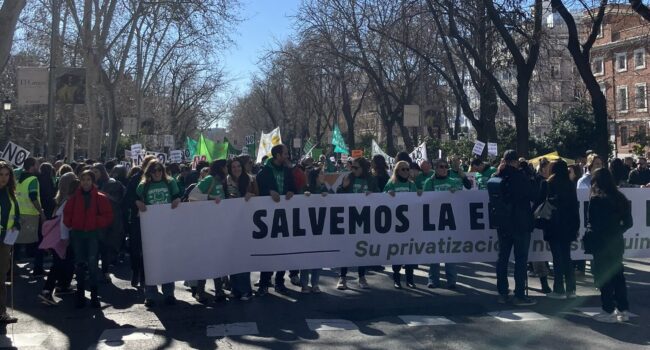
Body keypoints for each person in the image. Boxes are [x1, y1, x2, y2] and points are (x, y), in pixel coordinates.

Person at [63, 170, 114, 308]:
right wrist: (73, 222)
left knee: (92, 265)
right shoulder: (74, 198)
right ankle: (80, 295)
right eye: (83, 179)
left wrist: (95, 222)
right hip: (78, 235)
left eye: (88, 180)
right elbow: (66, 214)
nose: (86, 182)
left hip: (93, 235)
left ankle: (94, 296)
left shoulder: (100, 197)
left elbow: (108, 216)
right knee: (79, 265)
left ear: (92, 181)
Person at [493, 150, 537, 306]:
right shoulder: (520, 177)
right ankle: (519, 294)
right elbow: (533, 195)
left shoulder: (497, 177)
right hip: (521, 223)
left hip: (503, 224)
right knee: (520, 259)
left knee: (502, 259)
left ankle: (503, 293)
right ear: (515, 162)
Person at [588, 168, 632, 323]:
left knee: (603, 276)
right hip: (616, 241)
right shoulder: (620, 198)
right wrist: (617, 230)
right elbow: (629, 223)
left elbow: (592, 222)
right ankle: (623, 308)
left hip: (601, 242)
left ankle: (608, 309)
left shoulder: (596, 199)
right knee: (618, 276)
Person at [135, 160, 181, 307]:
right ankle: (150, 294)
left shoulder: (170, 183)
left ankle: (169, 293)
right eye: (154, 171)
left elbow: (179, 195)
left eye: (160, 170)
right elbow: (133, 197)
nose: (157, 173)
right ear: (149, 172)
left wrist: (177, 200)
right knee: (150, 261)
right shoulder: (144, 185)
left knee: (168, 259)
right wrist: (138, 203)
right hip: (150, 228)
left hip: (168, 227)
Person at [255, 144, 296, 296]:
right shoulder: (264, 172)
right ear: (278, 155)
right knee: (269, 251)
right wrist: (269, 192)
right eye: (285, 153)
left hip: (285, 217)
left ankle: (280, 282)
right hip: (267, 218)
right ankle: (264, 283)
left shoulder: (287, 170)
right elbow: (257, 189)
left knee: (283, 251)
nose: (287, 156)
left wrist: (292, 191)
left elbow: (293, 187)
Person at [337, 157, 378, 289]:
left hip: (365, 218)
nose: (352, 169)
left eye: (355, 167)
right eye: (352, 167)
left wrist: (373, 194)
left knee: (362, 248)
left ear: (363, 168)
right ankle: (342, 277)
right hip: (350, 218)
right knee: (346, 248)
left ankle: (361, 277)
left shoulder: (371, 180)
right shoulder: (349, 177)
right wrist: (343, 187)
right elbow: (338, 193)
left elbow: (379, 195)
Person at [38, 172, 79, 305]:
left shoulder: (60, 200)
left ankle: (61, 287)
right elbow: (64, 222)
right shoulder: (69, 200)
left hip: (56, 237)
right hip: (62, 237)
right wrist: (65, 238)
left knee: (60, 263)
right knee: (60, 264)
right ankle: (47, 291)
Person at [191, 159, 228, 303]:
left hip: (218, 226)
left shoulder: (220, 182)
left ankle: (219, 290)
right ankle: (200, 291)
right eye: (226, 167)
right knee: (205, 259)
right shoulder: (209, 179)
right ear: (221, 168)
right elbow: (192, 196)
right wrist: (210, 197)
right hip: (206, 226)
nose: (228, 169)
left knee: (217, 259)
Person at [541, 160, 579, 299]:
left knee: (557, 258)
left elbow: (541, 203)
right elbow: (575, 207)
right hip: (568, 225)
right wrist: (576, 226)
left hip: (553, 224)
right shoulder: (570, 184)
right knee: (567, 257)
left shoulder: (548, 184)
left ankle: (558, 289)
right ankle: (571, 289)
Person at [423, 159, 463, 289]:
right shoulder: (429, 182)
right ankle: (433, 280)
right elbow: (424, 200)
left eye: (446, 167)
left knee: (449, 252)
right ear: (436, 168)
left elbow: (461, 200)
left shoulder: (453, 182)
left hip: (449, 222)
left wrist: (456, 194)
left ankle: (452, 281)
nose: (444, 169)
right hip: (434, 222)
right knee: (434, 252)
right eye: (441, 166)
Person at [384, 161, 420, 289]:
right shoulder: (391, 183)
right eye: (403, 169)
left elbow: (417, 200)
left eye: (407, 169)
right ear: (397, 171)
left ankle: (410, 279)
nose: (406, 172)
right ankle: (397, 279)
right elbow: (381, 199)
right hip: (396, 224)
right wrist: (387, 195)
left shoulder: (411, 184)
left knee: (409, 253)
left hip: (409, 224)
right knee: (397, 252)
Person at [226, 157, 257, 300]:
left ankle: (246, 290)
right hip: (230, 223)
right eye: (233, 167)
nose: (236, 169)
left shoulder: (250, 180)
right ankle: (235, 288)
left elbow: (259, 197)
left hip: (247, 221)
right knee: (232, 257)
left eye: (238, 166)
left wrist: (252, 196)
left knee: (243, 257)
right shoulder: (226, 181)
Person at [123, 155, 155, 288]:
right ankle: (136, 271)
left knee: (149, 250)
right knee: (136, 249)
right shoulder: (136, 179)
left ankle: (145, 275)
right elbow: (127, 199)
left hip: (154, 220)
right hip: (137, 219)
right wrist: (136, 202)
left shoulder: (159, 180)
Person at [91, 163, 125, 283]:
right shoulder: (89, 184)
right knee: (94, 249)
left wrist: (102, 193)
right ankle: (93, 271)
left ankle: (105, 271)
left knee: (105, 248)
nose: (94, 174)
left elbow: (118, 200)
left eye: (96, 172)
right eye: (93, 172)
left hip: (108, 220)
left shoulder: (112, 183)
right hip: (94, 220)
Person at [14, 157, 46, 276]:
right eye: (37, 164)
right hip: (31, 215)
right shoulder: (33, 179)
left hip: (18, 213)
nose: (38, 167)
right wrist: (41, 212)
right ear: (32, 166)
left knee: (16, 241)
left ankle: (10, 268)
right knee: (38, 242)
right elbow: (33, 197)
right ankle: (38, 269)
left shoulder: (18, 178)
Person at [301, 167, 329, 294]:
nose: (324, 175)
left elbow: (335, 202)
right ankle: (304, 284)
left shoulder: (325, 189)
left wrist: (327, 196)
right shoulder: (305, 188)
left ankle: (315, 283)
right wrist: (304, 197)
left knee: (318, 256)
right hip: (306, 228)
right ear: (316, 176)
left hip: (320, 228)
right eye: (322, 173)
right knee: (306, 256)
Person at [0, 161, 20, 323]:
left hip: (6, 240)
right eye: (1, 174)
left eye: (7, 174)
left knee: (1, 276)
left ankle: (1, 312)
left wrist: (16, 225)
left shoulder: (11, 193)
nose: (4, 178)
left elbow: (17, 214)